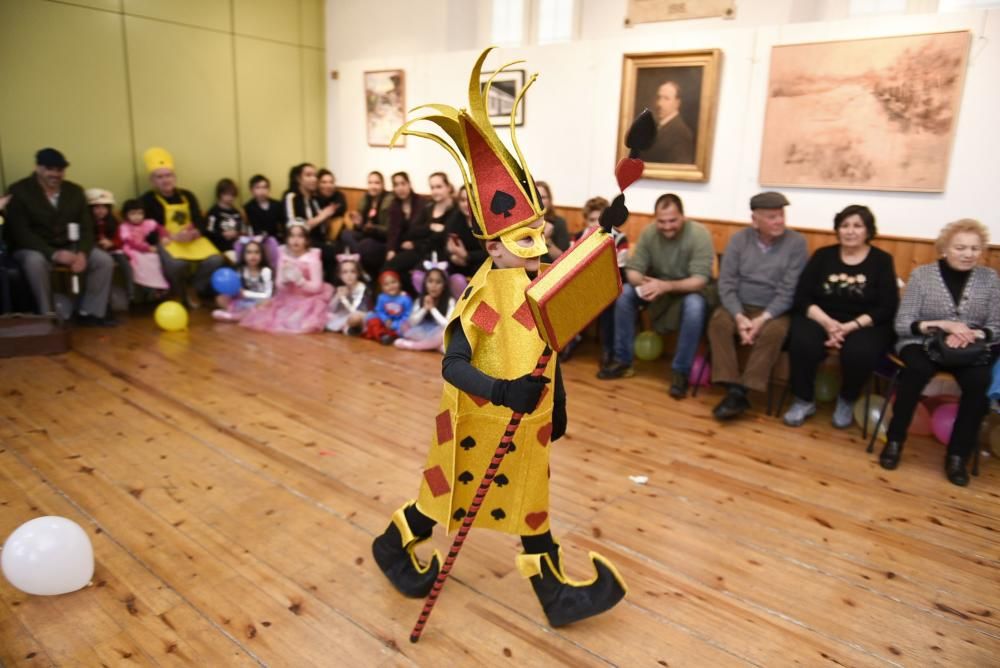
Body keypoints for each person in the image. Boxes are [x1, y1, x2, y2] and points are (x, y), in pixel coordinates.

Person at [372, 48, 625, 630]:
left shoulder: (536, 284)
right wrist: (503, 391)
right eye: (524, 237)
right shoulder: (484, 299)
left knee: (530, 502)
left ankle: (556, 594)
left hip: (526, 422)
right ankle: (393, 544)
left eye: (537, 233)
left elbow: (551, 345)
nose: (537, 243)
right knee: (443, 498)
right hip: (476, 425)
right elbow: (453, 365)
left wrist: (555, 406)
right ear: (492, 245)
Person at [879, 219, 999, 486]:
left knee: (979, 384)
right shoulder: (923, 275)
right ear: (945, 248)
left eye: (974, 248)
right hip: (922, 342)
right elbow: (903, 323)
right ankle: (895, 442)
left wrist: (971, 333)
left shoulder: (990, 279)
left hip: (970, 347)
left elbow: (996, 325)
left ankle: (957, 456)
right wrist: (942, 326)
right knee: (915, 373)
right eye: (960, 247)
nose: (968, 254)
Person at [782, 205, 898, 427]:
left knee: (860, 351)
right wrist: (828, 323)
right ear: (837, 229)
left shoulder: (882, 261)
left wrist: (849, 327)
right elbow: (802, 298)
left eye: (857, 226)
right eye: (844, 225)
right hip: (822, 316)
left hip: (864, 322)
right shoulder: (822, 256)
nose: (850, 231)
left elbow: (887, 307)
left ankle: (847, 399)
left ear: (868, 230)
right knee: (802, 341)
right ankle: (803, 400)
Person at [598, 194, 714, 398]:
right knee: (624, 295)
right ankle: (622, 360)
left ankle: (680, 372)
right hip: (657, 285)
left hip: (688, 290)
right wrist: (646, 284)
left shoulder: (699, 234)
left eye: (673, 220)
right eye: (661, 221)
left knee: (695, 307)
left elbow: (700, 279)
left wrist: (666, 286)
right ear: (655, 219)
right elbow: (633, 271)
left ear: (683, 217)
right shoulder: (649, 233)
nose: (667, 226)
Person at [708, 191, 807, 420]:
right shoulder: (739, 240)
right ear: (755, 220)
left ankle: (742, 390)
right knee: (719, 323)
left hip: (774, 309)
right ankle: (733, 386)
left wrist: (762, 319)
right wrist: (740, 316)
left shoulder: (796, 243)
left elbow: (789, 290)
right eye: (772, 217)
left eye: (781, 214)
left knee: (774, 332)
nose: (780, 221)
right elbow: (727, 284)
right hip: (739, 304)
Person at [6, 148, 116, 325]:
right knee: (35, 262)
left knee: (103, 261)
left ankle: (90, 313)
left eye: (60, 170)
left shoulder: (74, 191)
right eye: (50, 169)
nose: (55, 174)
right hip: (33, 247)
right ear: (38, 168)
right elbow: (21, 233)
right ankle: (47, 316)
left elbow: (86, 228)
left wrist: (82, 253)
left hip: (69, 244)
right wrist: (53, 254)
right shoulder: (19, 191)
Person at [140, 147, 223, 308]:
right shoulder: (147, 200)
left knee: (216, 259)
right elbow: (146, 228)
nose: (165, 180)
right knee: (177, 264)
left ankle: (193, 287)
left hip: (192, 239)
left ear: (174, 177)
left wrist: (195, 232)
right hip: (167, 241)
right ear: (152, 181)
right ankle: (177, 292)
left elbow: (200, 219)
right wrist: (169, 237)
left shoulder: (188, 195)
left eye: (168, 175)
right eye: (160, 177)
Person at [240, 220, 333, 334]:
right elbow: (279, 285)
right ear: (287, 239)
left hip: (308, 299)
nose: (295, 240)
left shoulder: (312, 258)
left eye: (300, 236)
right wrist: (285, 281)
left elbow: (316, 287)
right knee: (271, 316)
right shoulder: (283, 255)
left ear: (307, 240)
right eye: (292, 236)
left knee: (301, 321)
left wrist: (300, 281)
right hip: (287, 298)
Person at [86, 188, 132, 306]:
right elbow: (87, 240)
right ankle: (102, 299)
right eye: (97, 207)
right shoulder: (87, 223)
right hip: (98, 253)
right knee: (105, 265)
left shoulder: (113, 221)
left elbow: (120, 237)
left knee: (125, 262)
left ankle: (131, 291)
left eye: (104, 207)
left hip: (113, 250)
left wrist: (112, 243)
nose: (100, 211)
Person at [341, 171, 391, 278]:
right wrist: (358, 223)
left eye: (377, 183)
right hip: (367, 235)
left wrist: (373, 228)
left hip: (381, 239)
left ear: (383, 185)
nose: (373, 186)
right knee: (346, 234)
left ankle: (359, 268)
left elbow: (389, 231)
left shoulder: (389, 201)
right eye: (370, 183)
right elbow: (362, 227)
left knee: (366, 243)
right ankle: (361, 267)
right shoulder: (366, 199)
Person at [394, 267, 456, 351]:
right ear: (425, 284)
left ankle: (413, 345)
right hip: (424, 330)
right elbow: (412, 323)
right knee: (404, 326)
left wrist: (433, 309)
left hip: (440, 331)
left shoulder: (450, 301)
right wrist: (424, 309)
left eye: (438, 282)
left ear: (444, 286)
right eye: (430, 281)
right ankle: (434, 345)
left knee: (444, 334)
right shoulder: (420, 299)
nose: (434, 286)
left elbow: (447, 325)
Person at [212, 238, 273, 322]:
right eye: (249, 252)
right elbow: (234, 288)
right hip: (242, 301)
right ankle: (238, 313)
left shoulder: (266, 271)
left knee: (267, 303)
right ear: (244, 255)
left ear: (262, 255)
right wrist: (235, 292)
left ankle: (233, 316)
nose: (253, 256)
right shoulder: (241, 270)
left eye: (256, 252)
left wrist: (246, 293)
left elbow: (267, 295)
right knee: (220, 298)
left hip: (258, 301)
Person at [117, 199, 169, 294]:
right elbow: (130, 242)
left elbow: (160, 228)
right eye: (133, 214)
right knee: (140, 261)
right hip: (132, 249)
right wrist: (146, 248)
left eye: (140, 213)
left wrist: (164, 236)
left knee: (155, 258)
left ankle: (158, 285)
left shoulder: (148, 222)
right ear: (126, 215)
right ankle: (147, 286)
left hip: (147, 247)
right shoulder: (124, 227)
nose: (137, 217)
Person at [384, 171, 427, 284]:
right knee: (385, 260)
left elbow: (425, 230)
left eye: (403, 183)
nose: (400, 188)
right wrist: (391, 250)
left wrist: (414, 244)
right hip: (401, 246)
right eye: (396, 185)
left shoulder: (421, 203)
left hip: (418, 247)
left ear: (409, 184)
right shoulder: (394, 205)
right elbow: (392, 231)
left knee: (390, 266)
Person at [641, 81, 695, 164]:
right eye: (659, 97)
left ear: (677, 103)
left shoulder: (682, 134)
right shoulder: (654, 126)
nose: (659, 103)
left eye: (666, 98)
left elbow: (677, 171)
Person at [444, 185, 489, 281]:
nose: (467, 205)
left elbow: (492, 251)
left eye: (471, 200)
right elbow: (447, 245)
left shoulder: (488, 220)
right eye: (463, 200)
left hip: (484, 264)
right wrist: (452, 255)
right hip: (460, 265)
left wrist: (467, 256)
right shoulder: (454, 218)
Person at [243, 174, 285, 266]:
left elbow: (283, 225)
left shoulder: (277, 205)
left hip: (276, 239)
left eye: (264, 187)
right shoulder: (248, 207)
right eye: (257, 188)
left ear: (269, 189)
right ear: (252, 190)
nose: (262, 191)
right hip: (257, 241)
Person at [362, 270, 413, 344]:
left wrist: (395, 324)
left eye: (393, 282)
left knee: (406, 328)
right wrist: (385, 319)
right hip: (385, 322)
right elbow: (379, 311)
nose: (391, 286)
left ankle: (392, 336)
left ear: (399, 283)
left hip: (399, 323)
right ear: (382, 287)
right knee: (371, 317)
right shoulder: (381, 297)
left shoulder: (406, 299)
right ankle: (382, 335)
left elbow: (408, 316)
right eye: (386, 284)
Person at [326, 253, 371, 334]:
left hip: (360, 314)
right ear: (339, 275)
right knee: (329, 318)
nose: (349, 275)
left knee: (356, 318)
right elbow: (332, 309)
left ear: (358, 273)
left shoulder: (362, 288)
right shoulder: (340, 288)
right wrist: (338, 296)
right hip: (344, 315)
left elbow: (364, 308)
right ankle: (348, 328)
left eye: (352, 272)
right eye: (345, 272)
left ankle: (352, 328)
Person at [205, 178, 248, 264]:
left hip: (237, 245)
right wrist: (223, 234)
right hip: (220, 247)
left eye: (232, 195)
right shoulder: (214, 212)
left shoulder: (237, 212)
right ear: (220, 194)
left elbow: (242, 229)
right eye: (226, 194)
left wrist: (237, 234)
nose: (230, 197)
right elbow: (208, 231)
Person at [535, 181, 570, 263]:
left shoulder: (559, 223)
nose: (539, 201)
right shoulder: (523, 223)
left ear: (550, 200)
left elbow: (564, 259)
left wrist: (547, 240)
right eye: (536, 197)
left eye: (543, 197)